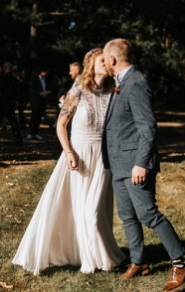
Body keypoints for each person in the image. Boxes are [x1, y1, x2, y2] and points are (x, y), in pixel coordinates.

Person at [13, 48, 125, 275]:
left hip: (103, 158)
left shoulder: (113, 93)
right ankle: (90, 258)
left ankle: (95, 256)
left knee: (95, 210)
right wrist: (69, 152)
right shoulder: (77, 92)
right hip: (79, 155)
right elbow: (61, 125)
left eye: (107, 61)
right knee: (79, 209)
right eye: (101, 60)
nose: (106, 63)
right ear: (91, 65)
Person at [102, 38, 185, 292]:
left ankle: (180, 263)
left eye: (105, 60)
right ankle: (138, 262)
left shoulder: (136, 83)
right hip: (119, 164)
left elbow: (148, 127)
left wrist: (141, 163)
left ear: (112, 59)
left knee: (147, 214)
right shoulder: (120, 84)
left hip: (135, 165)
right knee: (127, 216)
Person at [0, 62, 23, 146]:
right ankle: (18, 139)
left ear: (5, 67)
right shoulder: (14, 79)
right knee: (13, 121)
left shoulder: (2, 78)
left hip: (1, 103)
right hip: (10, 103)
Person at [27, 67, 52, 140]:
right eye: (45, 72)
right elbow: (32, 90)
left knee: (38, 118)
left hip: (42, 101)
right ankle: (30, 132)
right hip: (35, 101)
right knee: (33, 117)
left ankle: (36, 132)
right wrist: (40, 93)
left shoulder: (46, 80)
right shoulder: (35, 79)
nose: (46, 74)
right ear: (41, 71)